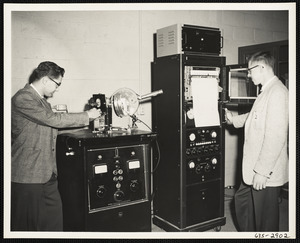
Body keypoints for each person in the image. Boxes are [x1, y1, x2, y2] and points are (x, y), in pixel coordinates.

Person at [11, 61, 101, 231]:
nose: (57, 88)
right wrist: (87, 115)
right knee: (29, 227)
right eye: (57, 84)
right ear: (45, 80)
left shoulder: (42, 102)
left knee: (54, 222)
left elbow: (53, 127)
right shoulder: (23, 98)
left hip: (48, 173)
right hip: (28, 176)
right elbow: (53, 119)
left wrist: (90, 127)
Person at [225, 52, 289, 231]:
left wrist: (262, 172)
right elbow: (255, 116)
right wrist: (233, 120)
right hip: (252, 167)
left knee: (265, 221)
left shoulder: (277, 93)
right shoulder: (266, 90)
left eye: (250, 70)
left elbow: (276, 136)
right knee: (242, 201)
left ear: (261, 68)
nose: (248, 75)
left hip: (265, 170)